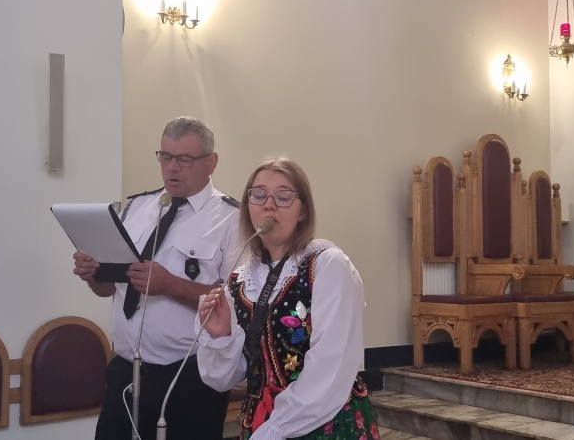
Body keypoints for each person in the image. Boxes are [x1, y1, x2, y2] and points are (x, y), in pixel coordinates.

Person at [72, 116, 238, 440]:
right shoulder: (136, 208)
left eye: (184, 159)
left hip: (189, 378)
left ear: (211, 162)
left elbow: (235, 306)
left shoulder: (230, 219)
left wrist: (170, 285)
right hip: (126, 371)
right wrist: (93, 274)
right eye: (166, 156)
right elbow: (110, 289)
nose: (172, 168)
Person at [196, 156, 380, 440]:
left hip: (325, 423)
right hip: (261, 423)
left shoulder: (327, 266)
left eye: (283, 197)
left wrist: (277, 428)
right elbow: (224, 378)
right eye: (259, 195)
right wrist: (221, 337)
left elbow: (332, 366)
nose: (269, 205)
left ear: (303, 210)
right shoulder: (240, 280)